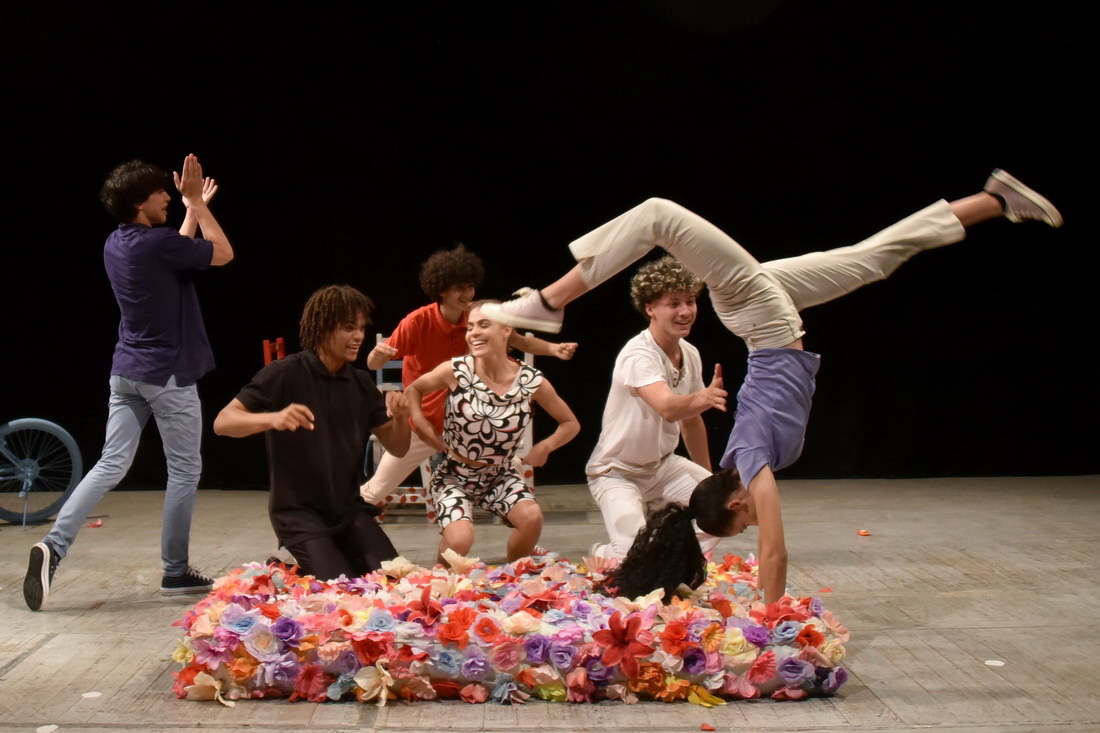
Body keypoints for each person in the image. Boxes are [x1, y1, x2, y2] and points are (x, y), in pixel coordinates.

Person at [481, 169, 1062, 603]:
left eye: (744, 518)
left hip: (763, 317)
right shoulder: (751, 460)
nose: (753, 520)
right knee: (869, 260)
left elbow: (773, 551)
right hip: (767, 317)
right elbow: (723, 476)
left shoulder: (752, 459)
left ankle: (548, 301)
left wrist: (769, 613)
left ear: (737, 499)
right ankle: (993, 199)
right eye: (747, 525)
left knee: (660, 213)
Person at [24, 155, 233, 612]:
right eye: (161, 193)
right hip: (168, 375)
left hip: (127, 372)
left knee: (110, 463)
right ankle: (175, 571)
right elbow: (222, 253)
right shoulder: (156, 243)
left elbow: (174, 250)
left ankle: (54, 546)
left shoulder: (117, 243)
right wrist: (197, 204)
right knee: (184, 470)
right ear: (141, 202)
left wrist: (190, 210)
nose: (167, 197)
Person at [213, 285, 410, 581]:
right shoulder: (285, 373)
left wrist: (403, 418)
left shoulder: (361, 384)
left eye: (360, 328)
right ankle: (291, 563)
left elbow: (398, 448)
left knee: (395, 580)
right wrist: (273, 418)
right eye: (348, 328)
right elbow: (223, 422)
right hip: (299, 515)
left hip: (348, 510)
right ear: (322, 328)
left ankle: (310, 560)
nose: (358, 336)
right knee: (341, 591)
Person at [361, 245, 577, 507]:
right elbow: (375, 363)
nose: (468, 294)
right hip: (423, 423)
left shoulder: (478, 319)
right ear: (442, 289)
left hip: (468, 425)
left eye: (470, 287)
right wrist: (378, 356)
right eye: (460, 288)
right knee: (374, 490)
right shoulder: (417, 323)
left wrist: (554, 348)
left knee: (509, 479)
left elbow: (518, 340)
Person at [406, 301, 580, 562]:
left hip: (501, 474)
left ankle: (513, 574)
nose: (473, 333)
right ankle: (440, 576)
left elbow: (570, 423)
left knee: (532, 518)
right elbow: (414, 390)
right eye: (471, 327)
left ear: (507, 330)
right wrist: (421, 424)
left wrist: (545, 446)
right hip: (455, 475)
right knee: (460, 540)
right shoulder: (457, 370)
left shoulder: (530, 380)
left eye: (484, 325)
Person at [585, 256, 727, 561]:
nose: (686, 311)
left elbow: (691, 422)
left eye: (690, 301)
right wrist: (702, 398)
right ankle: (606, 553)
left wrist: (709, 481)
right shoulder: (638, 354)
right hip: (616, 472)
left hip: (663, 466)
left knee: (721, 509)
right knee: (632, 559)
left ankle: (670, 559)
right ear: (650, 308)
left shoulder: (690, 353)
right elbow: (667, 407)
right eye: (674, 303)